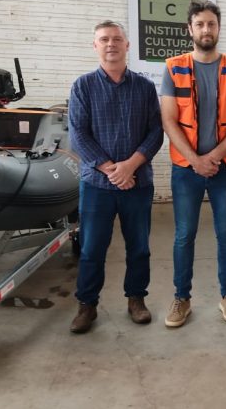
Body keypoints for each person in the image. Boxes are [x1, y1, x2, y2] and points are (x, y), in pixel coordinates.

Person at [160, 0, 226, 327]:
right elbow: (169, 120)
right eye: (199, 24)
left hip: (224, 170)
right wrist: (195, 160)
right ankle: (181, 298)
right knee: (184, 235)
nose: (206, 29)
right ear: (190, 29)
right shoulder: (174, 67)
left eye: (211, 24)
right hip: (186, 170)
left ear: (218, 28)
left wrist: (212, 158)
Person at [68, 20, 164, 334]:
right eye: (104, 39)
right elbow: (78, 135)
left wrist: (130, 167)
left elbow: (156, 132)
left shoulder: (144, 87)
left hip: (137, 184)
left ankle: (136, 299)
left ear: (127, 45)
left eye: (117, 39)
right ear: (95, 45)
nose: (111, 44)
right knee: (92, 248)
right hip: (97, 185)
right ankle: (87, 305)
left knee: (139, 247)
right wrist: (113, 170)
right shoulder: (82, 86)